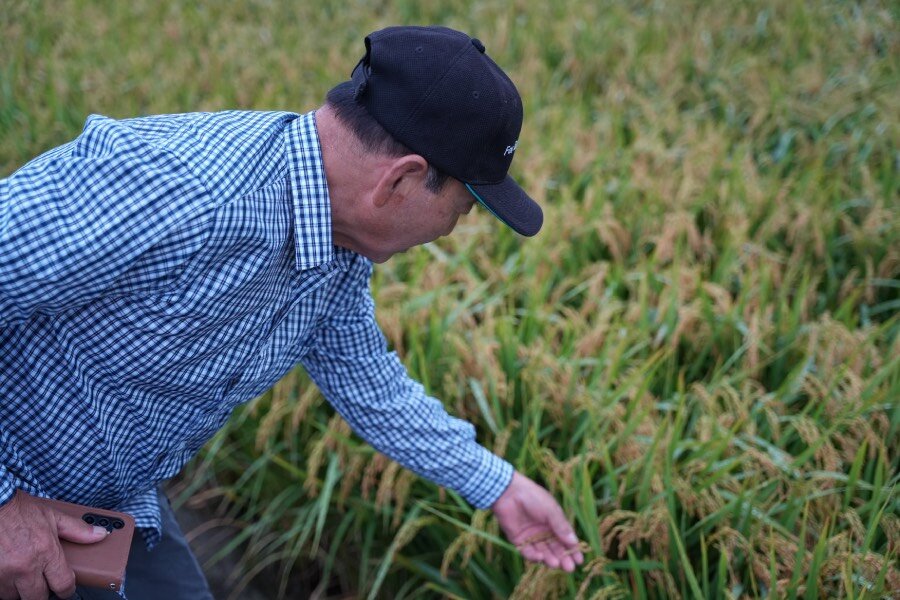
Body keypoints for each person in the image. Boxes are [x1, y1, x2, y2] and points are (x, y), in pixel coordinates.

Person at [0, 25, 584, 599]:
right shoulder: (177, 187)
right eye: (462, 210)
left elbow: (367, 380)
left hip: (109, 506)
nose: (451, 232)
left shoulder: (337, 248)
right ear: (401, 179)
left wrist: (499, 485)